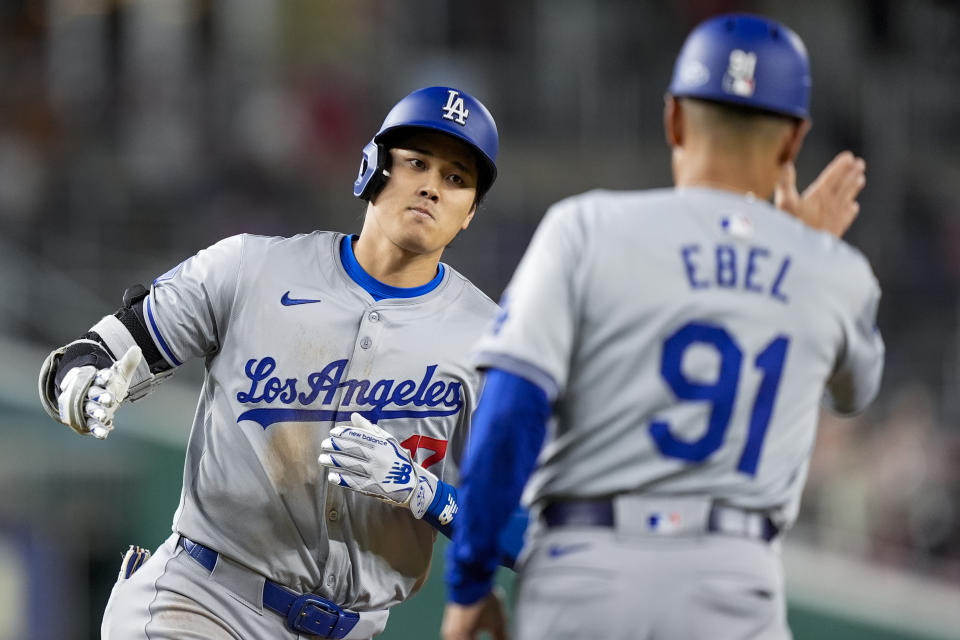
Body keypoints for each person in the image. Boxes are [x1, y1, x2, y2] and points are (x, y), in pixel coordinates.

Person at [442, 13, 884, 640]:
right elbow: (855, 393)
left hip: (585, 572)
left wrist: (470, 581)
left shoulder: (584, 228)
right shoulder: (836, 272)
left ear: (674, 117)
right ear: (794, 142)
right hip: (736, 585)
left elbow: (510, 411)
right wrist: (805, 246)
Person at [39, 85, 515, 639]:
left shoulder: (493, 343)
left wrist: (425, 492)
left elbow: (533, 529)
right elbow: (92, 354)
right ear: (373, 169)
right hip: (203, 602)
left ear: (470, 212)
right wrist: (79, 385)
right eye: (416, 163)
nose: (432, 187)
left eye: (457, 178)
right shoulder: (249, 269)